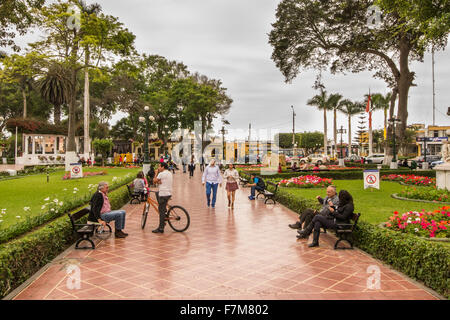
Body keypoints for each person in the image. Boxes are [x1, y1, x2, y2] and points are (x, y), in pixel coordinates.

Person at [152, 162, 173, 233]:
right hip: (169, 193)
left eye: (159, 166)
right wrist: (159, 182)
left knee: (161, 212)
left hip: (163, 194)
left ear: (163, 167)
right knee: (157, 194)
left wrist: (156, 173)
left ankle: (161, 228)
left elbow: (154, 181)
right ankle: (164, 211)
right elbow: (161, 182)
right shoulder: (169, 173)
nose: (158, 168)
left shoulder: (161, 174)